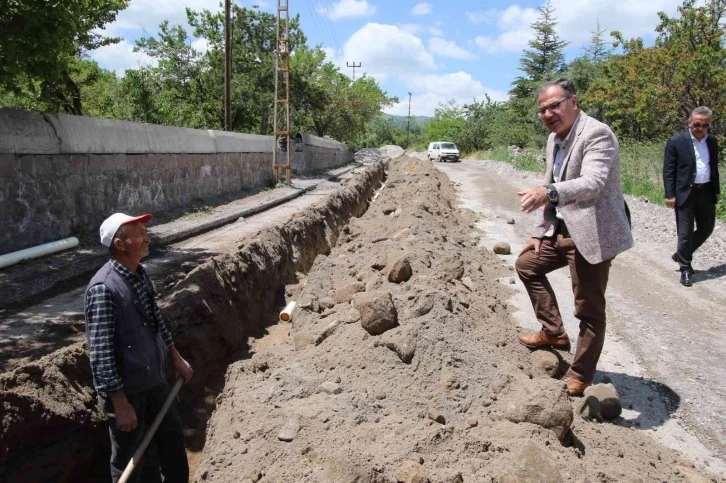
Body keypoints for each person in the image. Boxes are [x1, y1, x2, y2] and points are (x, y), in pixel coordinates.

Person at [514, 78, 634, 396]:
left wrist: (549, 192)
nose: (548, 113)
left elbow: (592, 183)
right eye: (542, 109)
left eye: (554, 105)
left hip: (592, 232)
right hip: (562, 229)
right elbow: (549, 184)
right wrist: (541, 232)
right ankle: (553, 332)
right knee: (527, 264)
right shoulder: (555, 139)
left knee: (589, 309)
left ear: (574, 102)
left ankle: (580, 374)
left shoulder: (596, 133)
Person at [85, 213, 193, 483]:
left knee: (172, 444)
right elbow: (100, 353)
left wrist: (175, 357)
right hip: (127, 392)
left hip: (153, 380)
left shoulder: (139, 275)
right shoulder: (103, 289)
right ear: (121, 244)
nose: (147, 237)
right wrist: (119, 403)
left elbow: (156, 322)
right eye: (140, 232)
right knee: (131, 463)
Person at [663, 106, 721, 287]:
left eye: (705, 125)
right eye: (697, 124)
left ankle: (681, 254)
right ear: (689, 123)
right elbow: (669, 170)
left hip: (706, 191)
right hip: (685, 193)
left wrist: (717, 191)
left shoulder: (711, 141)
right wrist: (670, 194)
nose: (701, 128)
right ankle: (685, 269)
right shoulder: (676, 142)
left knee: (707, 228)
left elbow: (714, 168)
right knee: (685, 233)